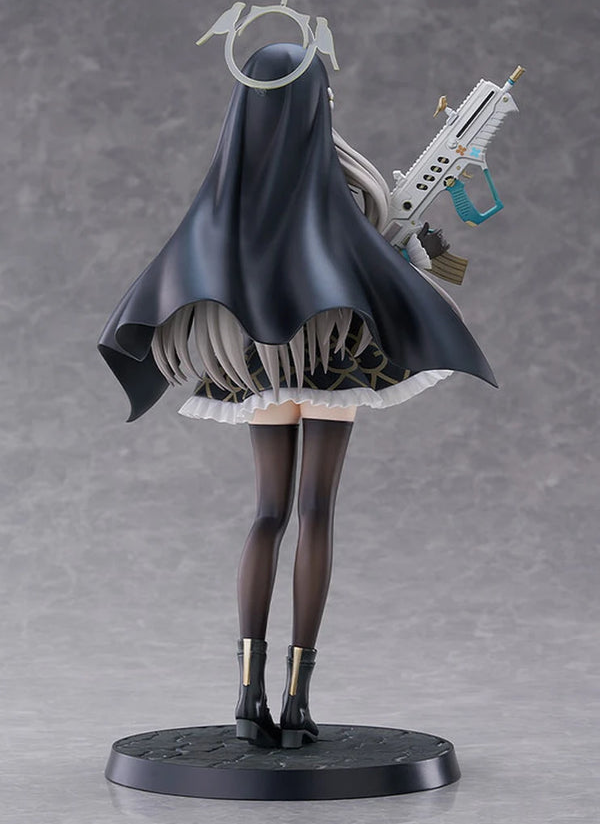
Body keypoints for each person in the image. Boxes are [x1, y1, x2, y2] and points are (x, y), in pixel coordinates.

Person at [98, 42, 496, 749]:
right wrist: (416, 253)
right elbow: (380, 266)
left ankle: (247, 694)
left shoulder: (229, 195)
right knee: (315, 511)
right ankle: (297, 699)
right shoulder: (339, 189)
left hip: (257, 360)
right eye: (325, 94)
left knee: (267, 512)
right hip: (333, 355)